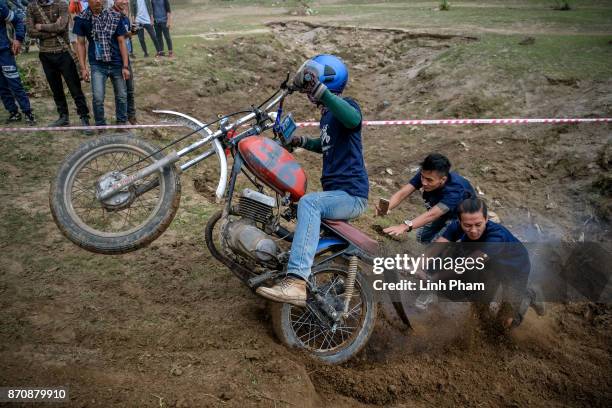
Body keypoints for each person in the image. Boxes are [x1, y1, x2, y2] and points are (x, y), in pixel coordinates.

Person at [256, 55, 369, 307]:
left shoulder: (347, 106)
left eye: (314, 79)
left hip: (352, 195)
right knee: (298, 203)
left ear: (328, 80)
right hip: (338, 194)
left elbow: (354, 120)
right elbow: (326, 144)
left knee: (310, 203)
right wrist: (301, 141)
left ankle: (296, 282)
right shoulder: (327, 117)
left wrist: (324, 93)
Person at [425, 198, 545, 329]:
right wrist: (419, 265)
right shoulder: (455, 226)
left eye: (478, 224)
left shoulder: (497, 236)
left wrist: (436, 278)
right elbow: (438, 246)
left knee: (505, 323)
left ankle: (529, 294)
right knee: (480, 312)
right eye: (467, 225)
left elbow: (469, 263)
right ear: (460, 221)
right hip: (489, 269)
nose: (473, 230)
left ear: (486, 219)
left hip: (514, 271)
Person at [382, 153, 476, 243]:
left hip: (461, 218)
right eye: (422, 177)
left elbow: (432, 214)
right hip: (442, 213)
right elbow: (403, 193)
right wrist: (386, 207)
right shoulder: (427, 174)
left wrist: (404, 226)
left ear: (443, 179)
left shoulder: (455, 190)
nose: (424, 182)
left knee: (436, 246)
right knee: (421, 238)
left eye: (429, 180)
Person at [26, 0, 91, 128]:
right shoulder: (31, 7)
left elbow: (61, 27)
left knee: (75, 88)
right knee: (56, 89)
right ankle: (63, 117)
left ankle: (84, 117)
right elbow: (30, 31)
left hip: (63, 53)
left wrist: (41, 26)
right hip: (45, 55)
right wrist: (53, 29)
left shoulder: (61, 4)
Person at [73, 0, 130, 126]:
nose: (98, 1)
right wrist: (83, 68)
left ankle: (121, 123)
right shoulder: (82, 19)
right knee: (98, 98)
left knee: (121, 96)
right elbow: (81, 44)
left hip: (116, 63)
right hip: (97, 65)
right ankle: (100, 125)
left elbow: (122, 42)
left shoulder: (114, 16)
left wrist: (125, 66)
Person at [0, 1, 35, 124]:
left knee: (14, 83)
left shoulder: (1, 6)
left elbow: (18, 21)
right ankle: (13, 112)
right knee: (1, 86)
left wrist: (18, 39)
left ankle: (28, 112)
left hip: (4, 52)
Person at [113, 0, 136, 124]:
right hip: (116, 58)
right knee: (121, 92)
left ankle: (131, 116)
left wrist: (131, 32)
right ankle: (121, 120)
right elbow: (116, 38)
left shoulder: (125, 17)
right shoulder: (111, 16)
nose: (125, 2)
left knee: (130, 90)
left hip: (126, 57)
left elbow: (124, 37)